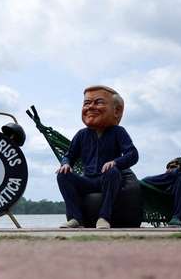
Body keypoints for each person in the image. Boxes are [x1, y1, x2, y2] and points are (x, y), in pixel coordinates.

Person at [56, 85, 139, 229]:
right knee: (63, 175)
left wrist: (115, 162)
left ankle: (104, 217)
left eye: (98, 102)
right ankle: (75, 218)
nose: (90, 107)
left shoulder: (118, 132)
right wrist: (66, 164)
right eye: (87, 103)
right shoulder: (81, 134)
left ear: (116, 111)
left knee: (112, 172)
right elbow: (69, 156)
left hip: (108, 179)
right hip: (87, 180)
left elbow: (133, 154)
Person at [142, 151, 181, 227]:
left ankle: (177, 217)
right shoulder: (164, 182)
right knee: (147, 180)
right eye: (169, 167)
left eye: (173, 167)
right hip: (167, 192)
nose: (169, 169)